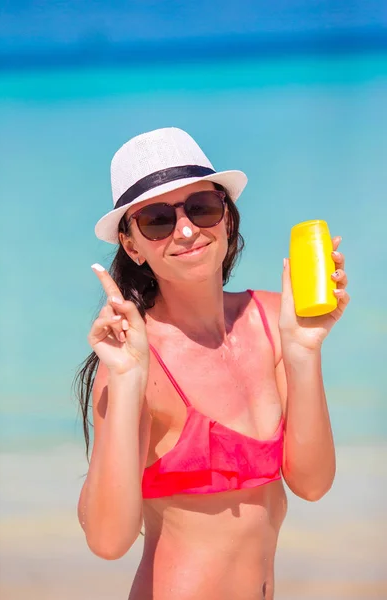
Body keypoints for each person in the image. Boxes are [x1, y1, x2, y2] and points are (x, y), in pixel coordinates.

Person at [75, 127, 349, 600]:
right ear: (132, 245)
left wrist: (304, 352)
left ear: (227, 217)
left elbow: (312, 483)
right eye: (158, 219)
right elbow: (107, 540)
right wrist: (124, 380)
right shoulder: (134, 359)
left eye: (201, 207)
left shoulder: (272, 321)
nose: (186, 230)